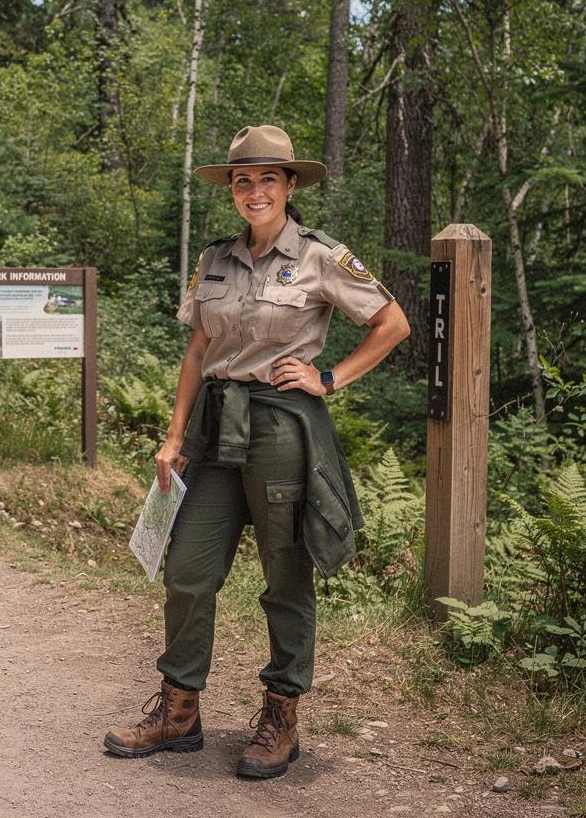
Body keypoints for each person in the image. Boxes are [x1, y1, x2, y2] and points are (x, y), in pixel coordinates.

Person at [103, 125, 410, 779]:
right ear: (233, 190)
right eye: (243, 180)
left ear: (290, 185)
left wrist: (330, 378)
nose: (255, 190)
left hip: (281, 429)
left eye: (268, 178)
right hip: (215, 429)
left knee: (286, 575)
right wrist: (174, 435)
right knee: (186, 567)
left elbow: (392, 323)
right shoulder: (214, 259)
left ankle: (281, 718)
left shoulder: (323, 256)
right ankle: (179, 711)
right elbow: (196, 351)